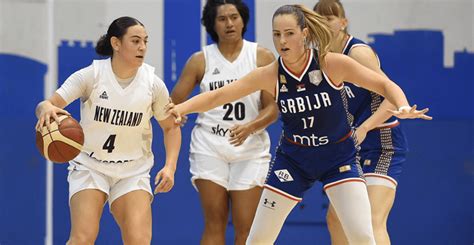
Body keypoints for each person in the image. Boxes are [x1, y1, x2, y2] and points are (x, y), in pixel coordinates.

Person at [167, 4, 431, 244]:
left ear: (304, 33)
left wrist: (403, 104)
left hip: (337, 158)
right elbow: (219, 95)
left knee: (363, 236)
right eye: (277, 34)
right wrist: (179, 108)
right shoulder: (271, 73)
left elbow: (383, 83)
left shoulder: (331, 63)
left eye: (289, 33)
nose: (282, 41)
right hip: (294, 161)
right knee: (257, 240)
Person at [35, 16, 181, 245]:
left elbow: (171, 127)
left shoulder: (153, 84)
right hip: (90, 166)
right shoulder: (91, 75)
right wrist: (44, 108)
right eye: (135, 41)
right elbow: (48, 104)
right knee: (82, 238)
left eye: (145, 41)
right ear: (116, 43)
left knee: (139, 240)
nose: (142, 47)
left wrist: (170, 167)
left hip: (133, 170)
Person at [313, 1, 431, 244]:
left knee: (371, 220)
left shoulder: (358, 52)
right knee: (336, 219)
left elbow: (390, 93)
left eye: (330, 18)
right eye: (319, 19)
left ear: (343, 22)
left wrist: (367, 126)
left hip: (381, 142)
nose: (325, 23)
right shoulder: (319, 59)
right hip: (348, 148)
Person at [170, 0, 278, 244]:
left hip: (250, 148)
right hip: (210, 145)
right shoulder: (200, 60)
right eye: (222, 18)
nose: (230, 23)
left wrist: (250, 127)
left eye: (234, 17)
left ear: (243, 20)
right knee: (215, 223)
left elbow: (272, 109)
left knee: (246, 228)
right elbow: (174, 102)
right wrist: (178, 112)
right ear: (212, 24)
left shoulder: (261, 56)